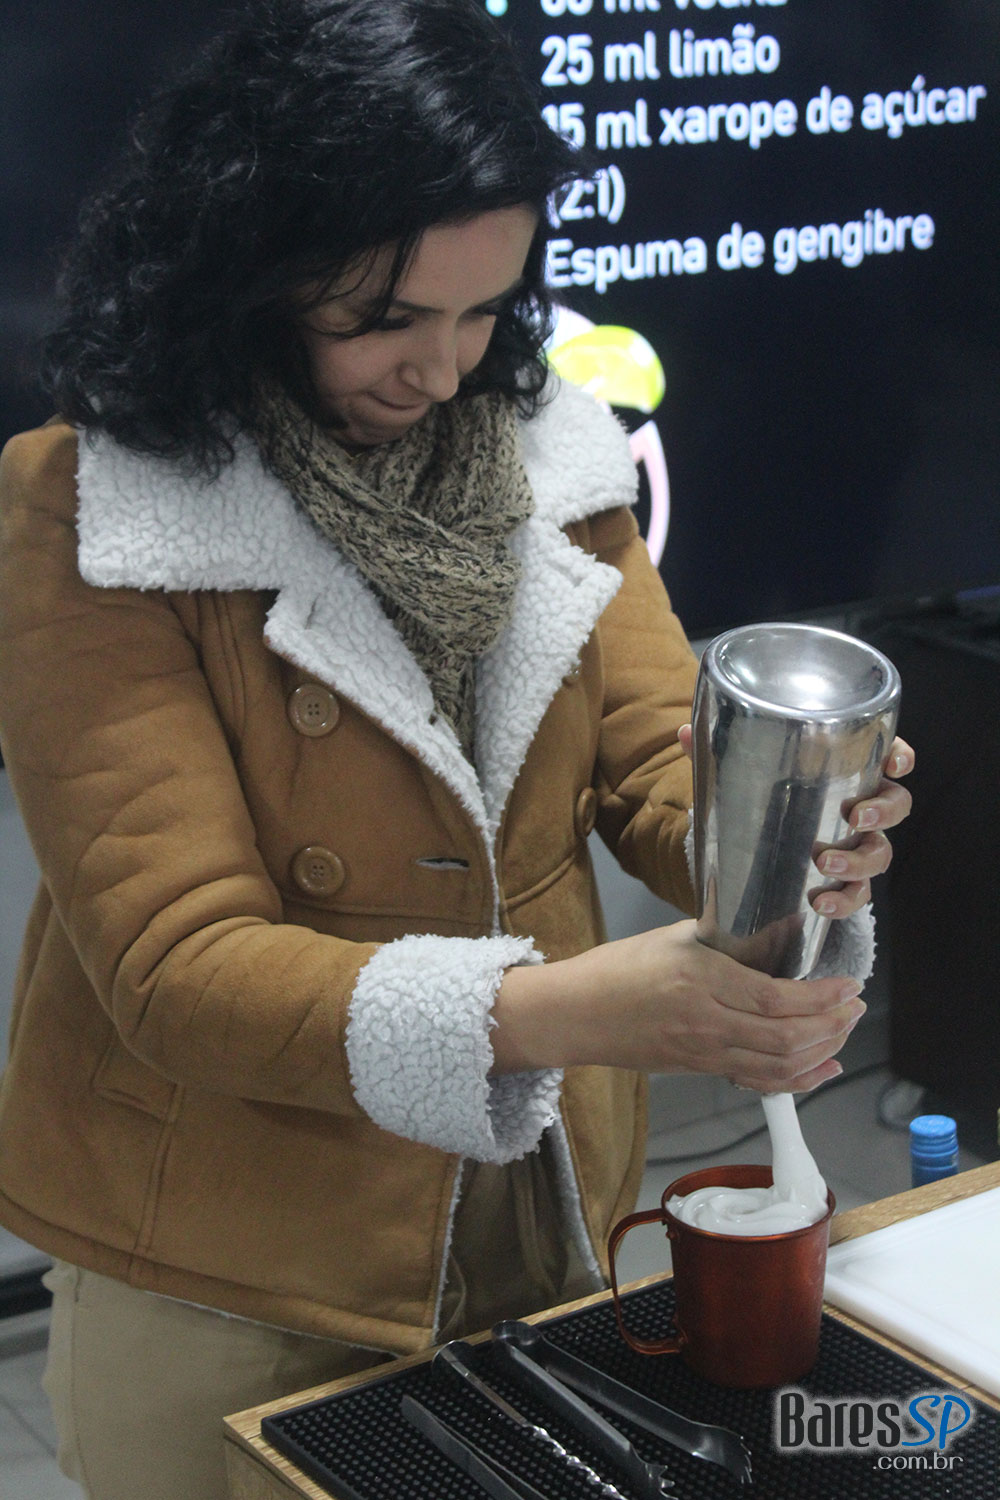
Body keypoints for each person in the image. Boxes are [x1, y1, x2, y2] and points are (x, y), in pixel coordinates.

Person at [0, 1, 913, 1496]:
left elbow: (649, 760)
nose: (442, 366)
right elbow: (176, 966)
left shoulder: (552, 449)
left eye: (484, 310)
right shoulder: (99, 506)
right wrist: (570, 1008)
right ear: (249, 263)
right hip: (234, 1244)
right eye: (384, 317)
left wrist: (789, 834)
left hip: (531, 1190)